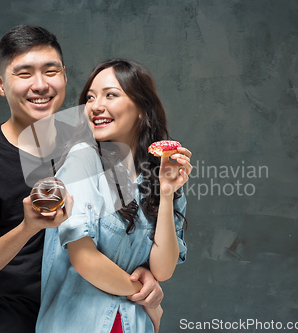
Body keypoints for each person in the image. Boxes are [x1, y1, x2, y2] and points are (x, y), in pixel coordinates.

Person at [0, 26, 164, 333]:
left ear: (64, 76)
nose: (40, 85)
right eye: (24, 73)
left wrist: (143, 280)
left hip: (87, 321)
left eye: (51, 71)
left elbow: (131, 228)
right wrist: (28, 227)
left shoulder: (98, 138)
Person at [37, 59, 193, 333]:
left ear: (142, 109)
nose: (96, 106)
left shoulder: (159, 174)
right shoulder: (81, 161)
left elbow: (163, 270)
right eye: (90, 97)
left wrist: (167, 194)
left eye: (111, 94)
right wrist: (149, 297)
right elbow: (84, 259)